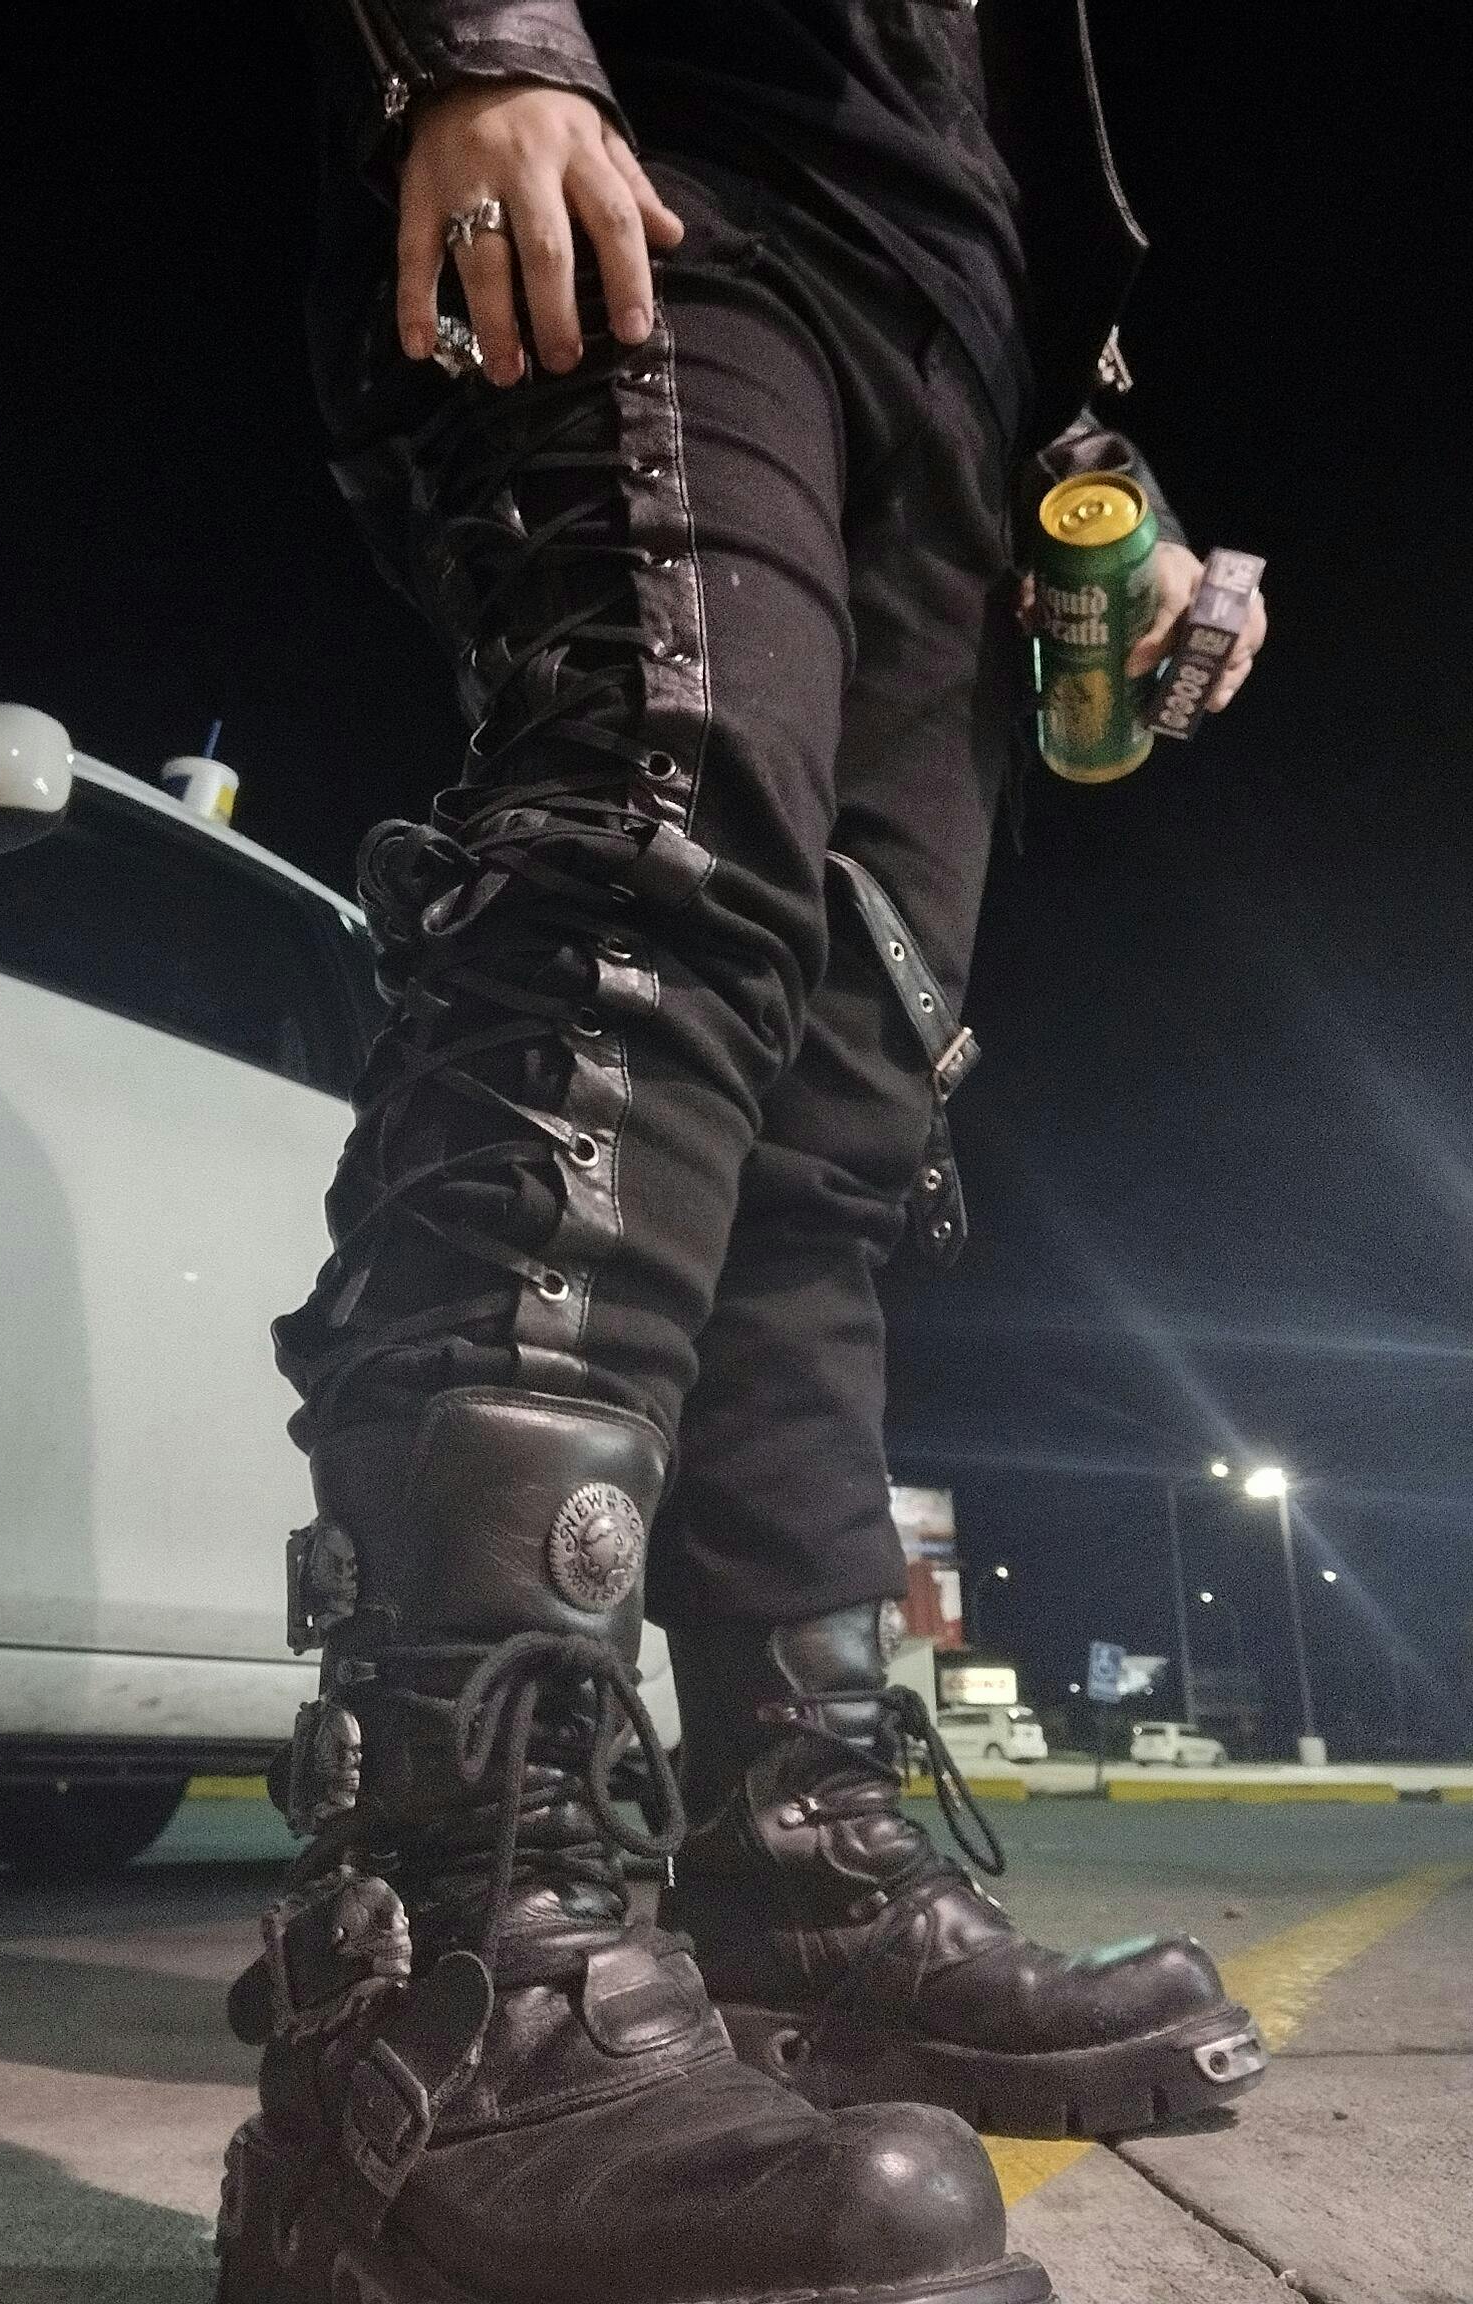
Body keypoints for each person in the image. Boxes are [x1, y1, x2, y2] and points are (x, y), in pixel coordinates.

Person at [216, 5, 1270, 2300]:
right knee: (642, 882)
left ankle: (812, 1888)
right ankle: (440, 1989)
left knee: (837, 1121)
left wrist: (1108, 481)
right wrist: (477, 45)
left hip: (961, 369)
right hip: (674, 168)